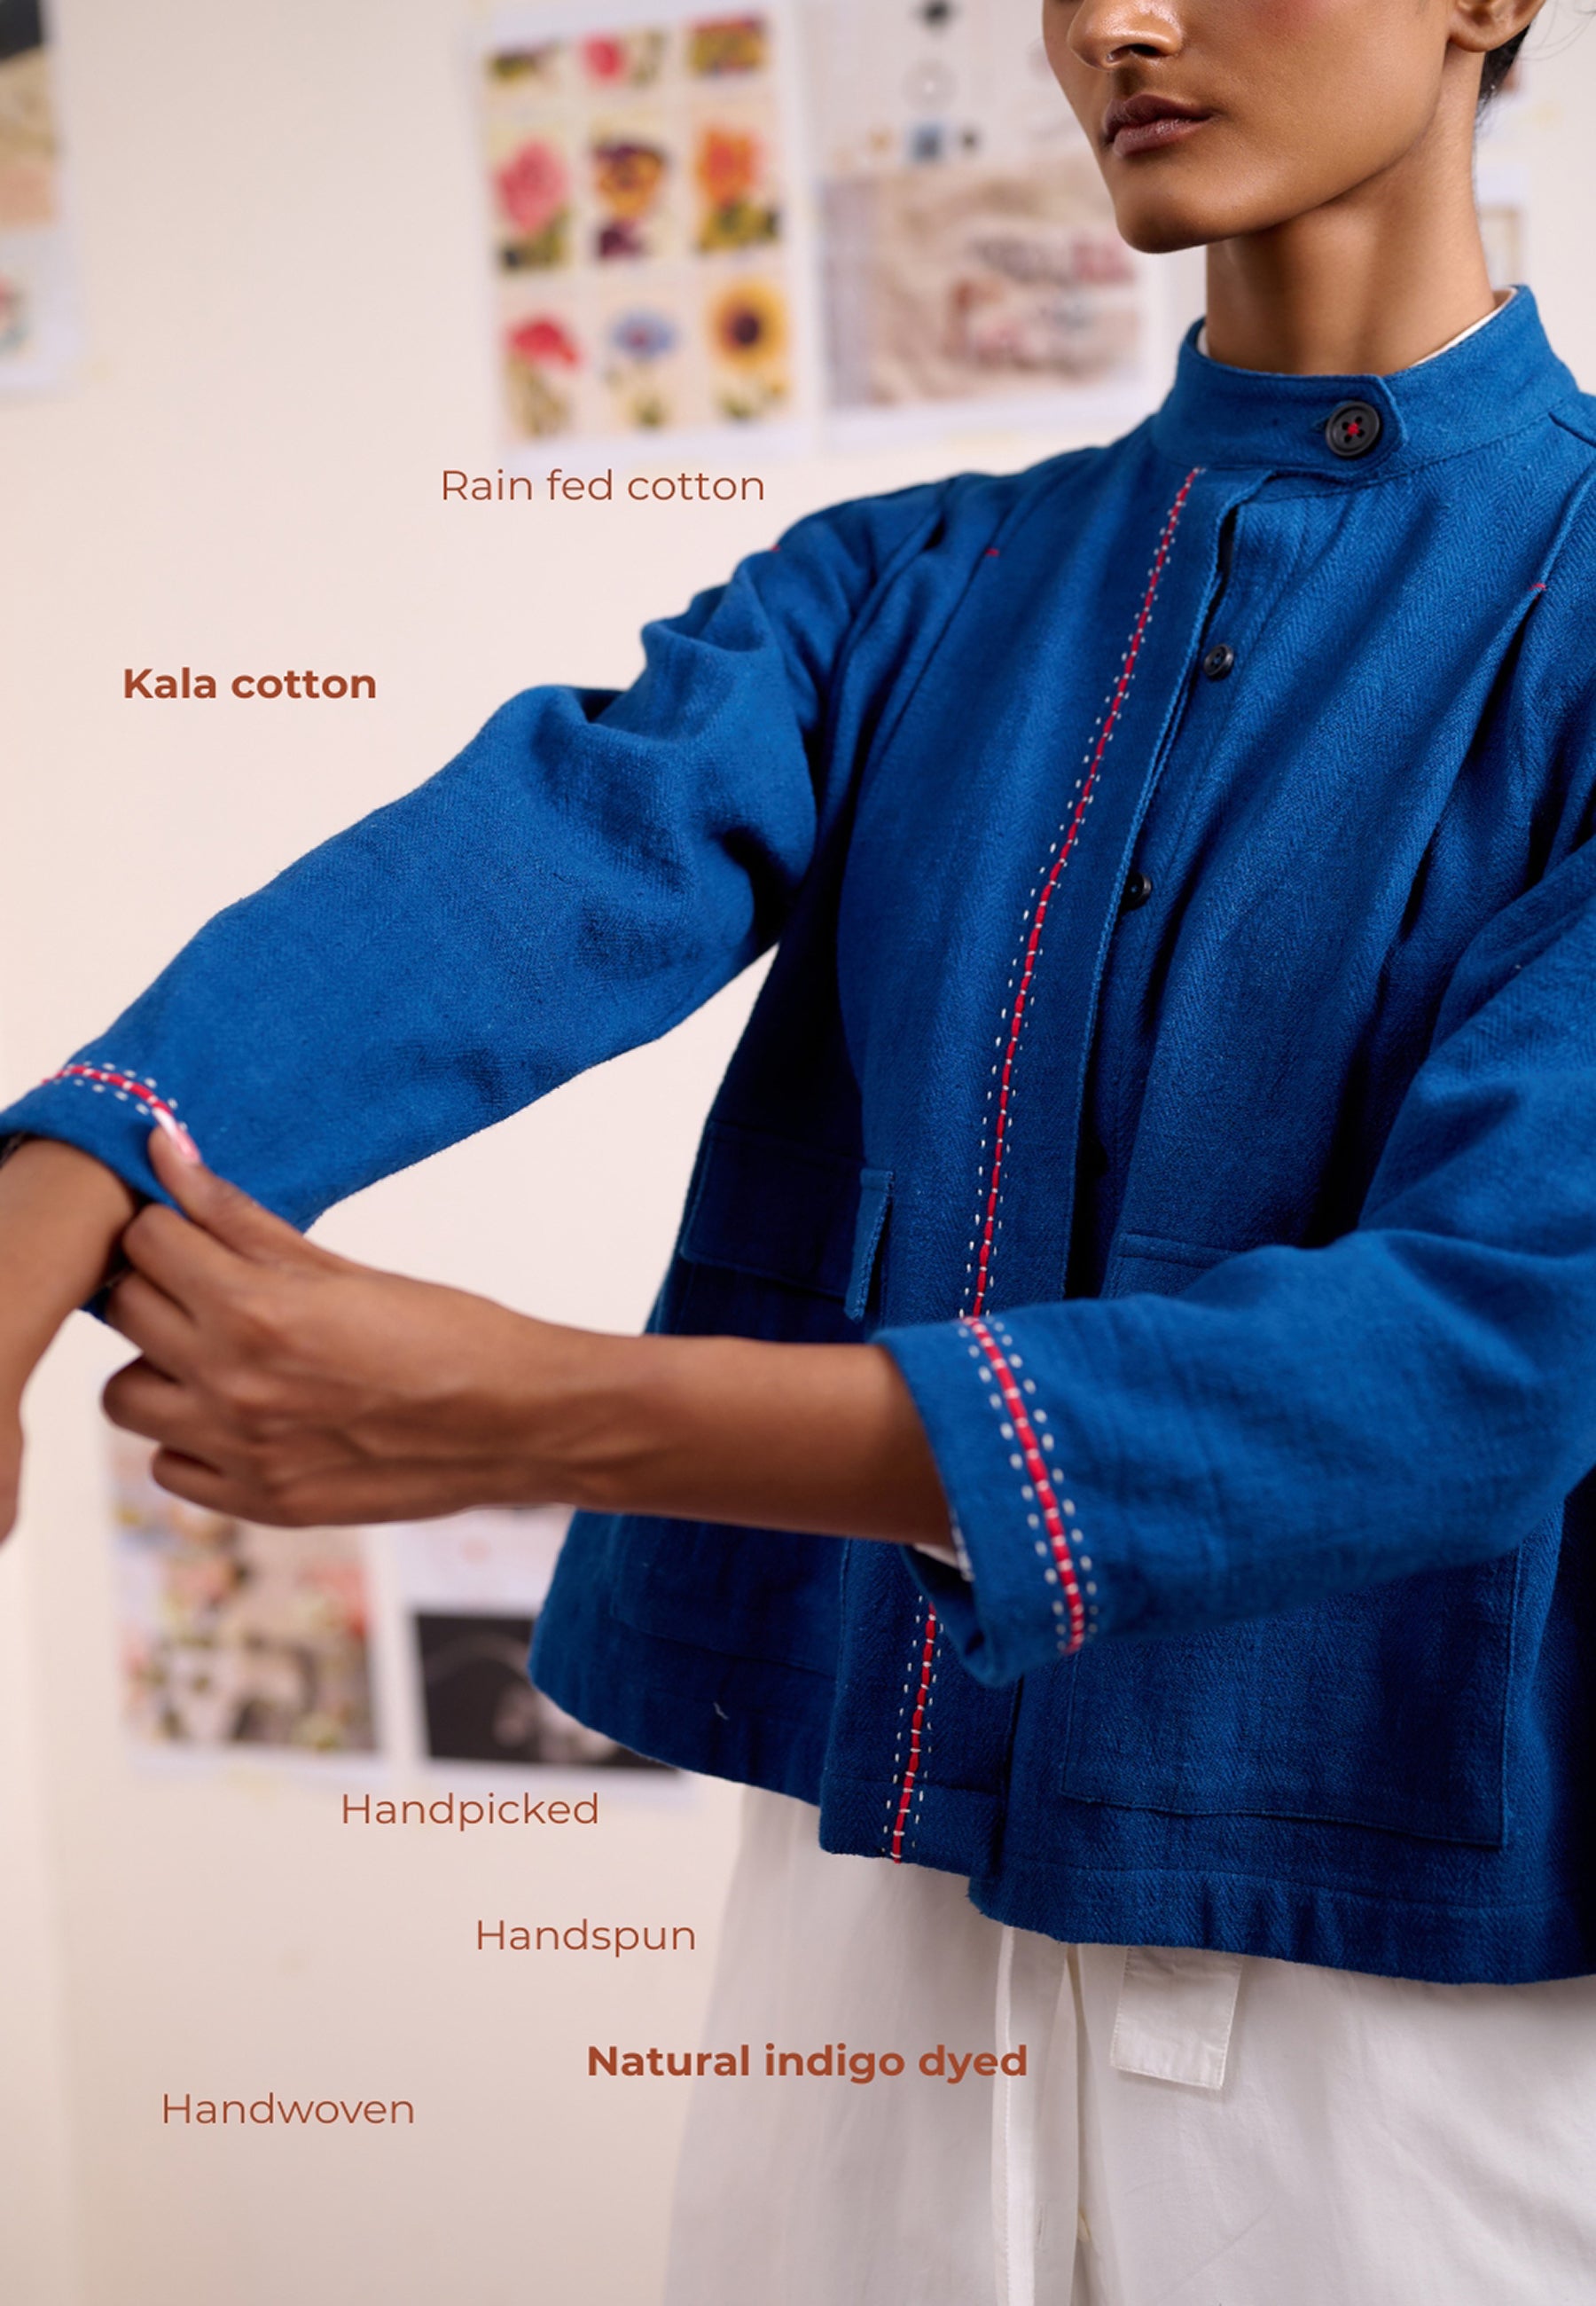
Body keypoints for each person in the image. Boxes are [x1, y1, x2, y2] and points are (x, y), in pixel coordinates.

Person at [1, 0, 1592, 2295]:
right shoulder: (905, 589)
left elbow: (1490, 1350)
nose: (1115, 23)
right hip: (866, 1923)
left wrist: (544, 1413)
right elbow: (540, 858)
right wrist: (58, 1185)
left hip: (1398, 1968)